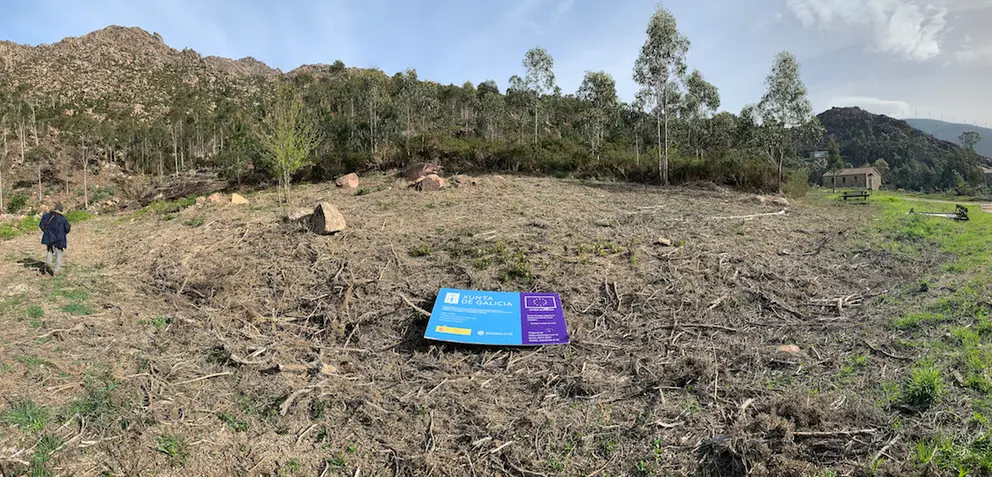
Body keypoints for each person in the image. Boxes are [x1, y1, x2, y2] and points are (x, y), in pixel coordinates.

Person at [39, 203, 71, 275]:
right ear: (61, 210)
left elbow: (41, 225)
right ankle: (56, 271)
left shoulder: (46, 216)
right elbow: (67, 229)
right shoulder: (62, 218)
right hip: (59, 239)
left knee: (49, 251)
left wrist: (47, 232)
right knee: (59, 254)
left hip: (49, 238)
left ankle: (48, 265)